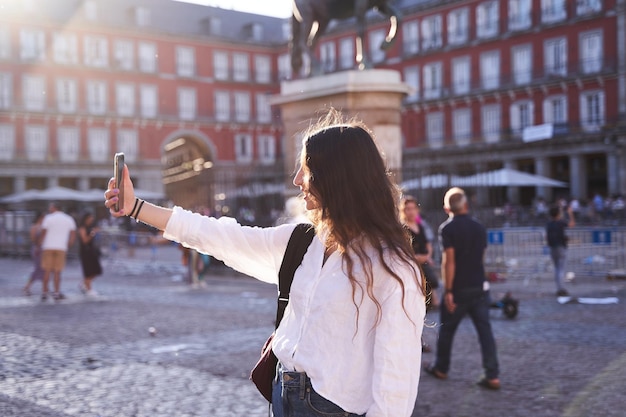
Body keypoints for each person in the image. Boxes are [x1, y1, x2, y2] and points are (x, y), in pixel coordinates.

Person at [104, 110, 426, 416]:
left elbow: (396, 381)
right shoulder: (301, 242)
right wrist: (136, 208)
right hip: (282, 395)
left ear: (337, 177)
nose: (298, 179)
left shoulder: (393, 268)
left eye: (307, 168)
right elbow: (217, 235)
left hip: (336, 409)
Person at [424, 187, 500, 390]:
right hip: (479, 286)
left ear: (446, 208)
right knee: (485, 332)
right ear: (466, 205)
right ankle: (492, 375)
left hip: (459, 289)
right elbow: (481, 259)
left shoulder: (447, 229)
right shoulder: (479, 227)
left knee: (447, 330)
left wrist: (448, 291)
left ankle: (441, 367)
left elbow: (449, 261)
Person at [400, 196, 439, 309]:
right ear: (403, 211)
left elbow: (428, 244)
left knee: (431, 280)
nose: (411, 211)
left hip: (424, 261)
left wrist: (428, 256)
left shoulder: (421, 226)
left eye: (413, 208)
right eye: (408, 209)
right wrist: (417, 258)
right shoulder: (402, 229)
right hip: (411, 263)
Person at [39, 202, 77, 301]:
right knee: (57, 271)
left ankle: (44, 292)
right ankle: (56, 292)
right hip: (61, 247)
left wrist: (40, 243)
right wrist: (68, 244)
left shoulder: (48, 218)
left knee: (47, 270)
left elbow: (43, 232)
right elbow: (73, 234)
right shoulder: (68, 219)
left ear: (54, 208)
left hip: (48, 246)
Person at [546, 204, 575, 296]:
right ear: (558, 214)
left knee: (557, 269)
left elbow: (547, 236)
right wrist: (570, 213)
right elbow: (571, 224)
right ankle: (562, 289)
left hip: (552, 248)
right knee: (561, 269)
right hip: (561, 247)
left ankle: (558, 287)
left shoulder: (549, 224)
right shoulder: (560, 222)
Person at [77, 212, 103, 296]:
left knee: (96, 270)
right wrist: (92, 234)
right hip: (86, 252)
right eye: (90, 218)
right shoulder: (82, 228)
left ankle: (84, 283)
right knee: (88, 270)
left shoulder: (90, 227)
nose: (91, 220)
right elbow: (85, 240)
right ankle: (88, 288)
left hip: (92, 251)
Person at [22, 212, 45, 296]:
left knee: (43, 269)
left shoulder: (43, 227)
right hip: (37, 249)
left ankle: (44, 288)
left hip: (42, 249)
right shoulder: (34, 227)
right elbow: (33, 238)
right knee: (38, 269)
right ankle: (27, 287)